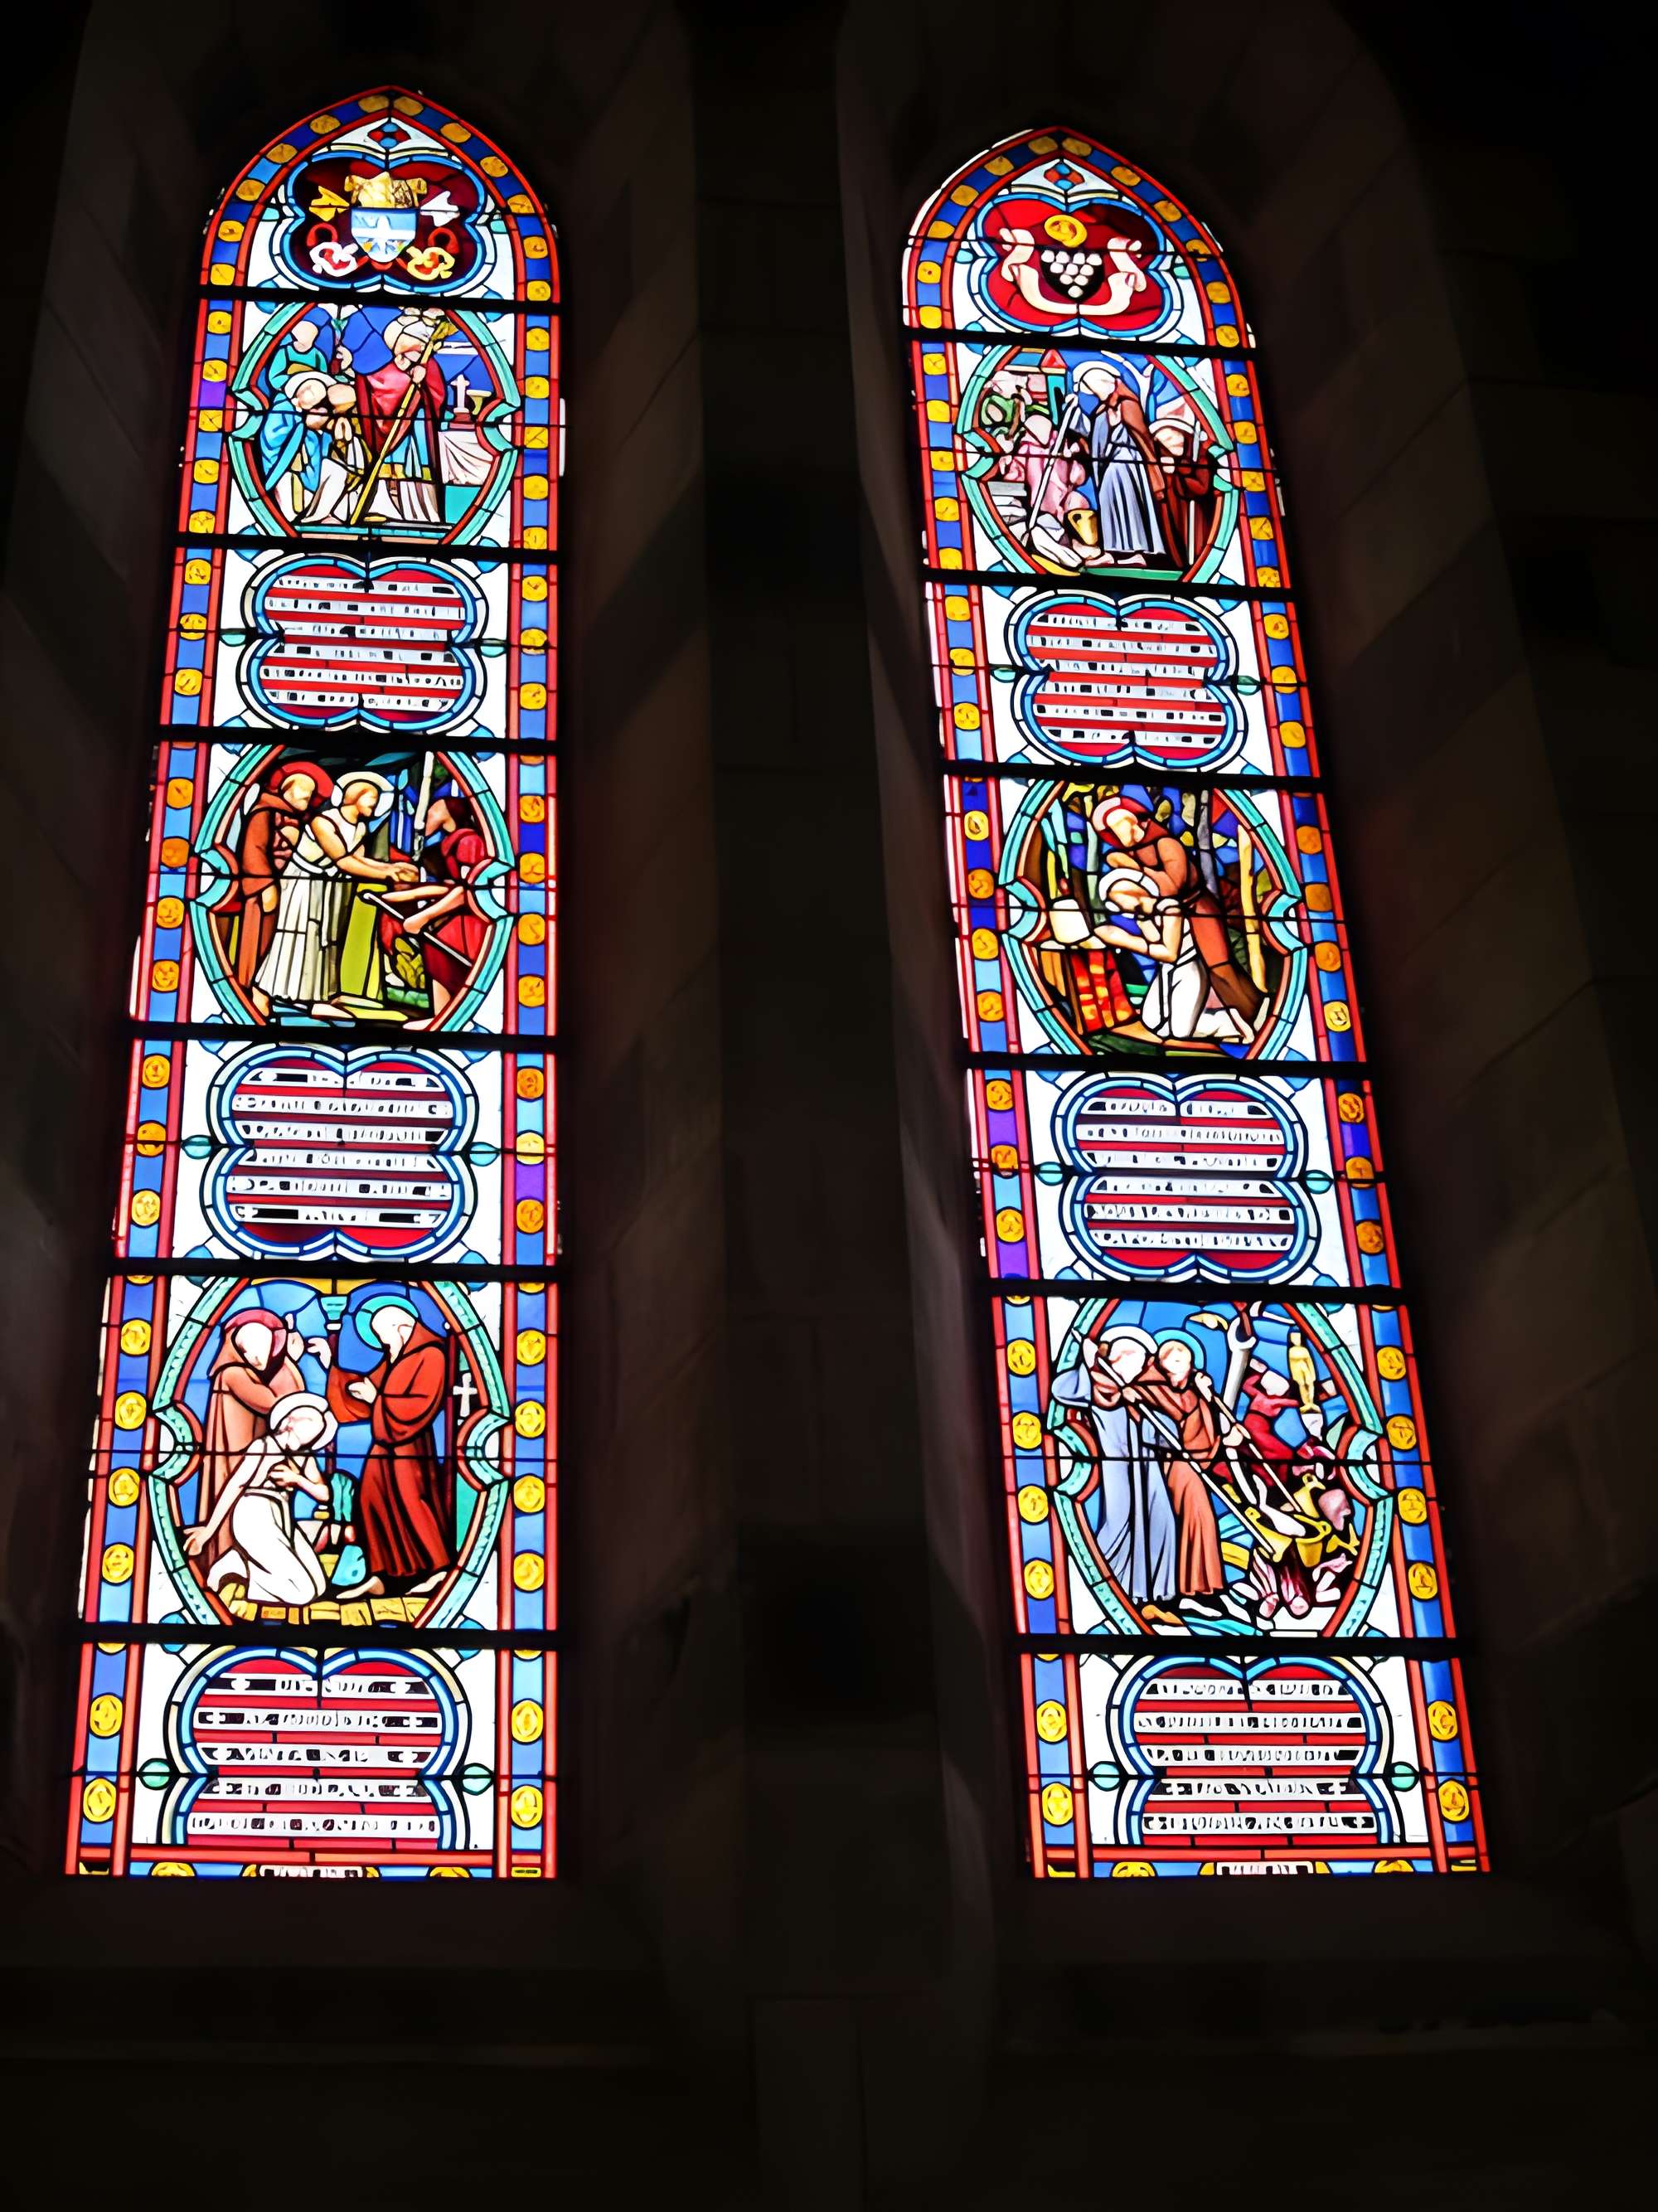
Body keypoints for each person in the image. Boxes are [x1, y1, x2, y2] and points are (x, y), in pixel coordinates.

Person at [1094, 795, 1266, 1034]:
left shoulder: (1166, 844)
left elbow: (1173, 885)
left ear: (1138, 819)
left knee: (1221, 969)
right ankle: (1238, 1019)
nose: (1123, 832)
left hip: (1199, 913)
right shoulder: (1131, 854)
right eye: (1115, 829)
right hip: (1173, 920)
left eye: (1124, 822)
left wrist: (1134, 869)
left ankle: (1257, 1015)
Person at [253, 771, 419, 1016]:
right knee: (294, 939)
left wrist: (393, 868)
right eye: (370, 797)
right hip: (303, 885)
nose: (375, 803)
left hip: (332, 890)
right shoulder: (324, 822)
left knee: (326, 944)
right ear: (354, 796)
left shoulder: (360, 827)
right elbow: (343, 860)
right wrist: (389, 874)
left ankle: (317, 998)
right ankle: (262, 992)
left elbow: (361, 861)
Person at [324, 1292, 453, 1600]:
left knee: (413, 1503)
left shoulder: (431, 1355)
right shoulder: (396, 1358)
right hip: (385, 1448)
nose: (383, 1343)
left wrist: (376, 1400)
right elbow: (364, 1390)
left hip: (410, 1448)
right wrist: (331, 1364)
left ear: (403, 1328)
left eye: (384, 1336)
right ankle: (382, 1573)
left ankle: (437, 1569)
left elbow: (420, 1405)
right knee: (371, 1499)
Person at [1050, 1327, 1180, 1625]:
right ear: (1119, 1359)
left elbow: (1166, 1434)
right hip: (1117, 1467)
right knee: (1122, 1522)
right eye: (1133, 1362)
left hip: (1148, 1471)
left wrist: (1149, 1413)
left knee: (1162, 1522)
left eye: (1141, 1364)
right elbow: (1061, 1390)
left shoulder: (1140, 1395)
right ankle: (1112, 1587)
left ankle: (1156, 1598)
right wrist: (1086, 1362)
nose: (1138, 1368)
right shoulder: (1097, 1388)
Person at [184, 1394, 334, 1608]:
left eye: (320, 1423)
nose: (319, 1425)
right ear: (289, 1420)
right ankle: (242, 1569)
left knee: (319, 1587)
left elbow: (325, 1494)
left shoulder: (304, 1457)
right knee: (303, 1593)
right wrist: (208, 1532)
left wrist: (297, 1480)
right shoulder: (263, 1447)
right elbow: (236, 1485)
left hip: (282, 1518)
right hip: (254, 1515)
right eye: (311, 1419)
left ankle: (242, 1563)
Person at [191, 1309, 308, 1575]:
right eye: (251, 1350)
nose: (259, 1357)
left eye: (266, 1348)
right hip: (238, 1462)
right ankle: (229, 1566)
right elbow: (278, 1405)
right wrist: (290, 1361)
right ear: (237, 1348)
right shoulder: (233, 1374)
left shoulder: (246, 1374)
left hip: (249, 1461)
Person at [1092, 869, 1255, 1045]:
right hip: (1165, 972)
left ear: (1132, 891)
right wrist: (1143, 924)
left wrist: (1124, 940)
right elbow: (1155, 943)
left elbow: (1170, 953)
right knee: (1152, 1023)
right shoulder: (1144, 917)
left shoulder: (1170, 908)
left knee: (1179, 1032)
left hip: (1188, 970)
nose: (1116, 906)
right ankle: (1205, 1023)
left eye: (1115, 899)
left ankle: (1229, 1021)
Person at [374, 792, 491, 1019]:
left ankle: (448, 1019)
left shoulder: (469, 842)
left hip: (469, 923)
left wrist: (424, 917)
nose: (427, 815)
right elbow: (447, 888)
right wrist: (393, 899)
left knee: (442, 953)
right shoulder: (451, 843)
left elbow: (468, 892)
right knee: (436, 955)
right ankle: (440, 1016)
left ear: (450, 813)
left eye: (433, 810)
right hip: (457, 918)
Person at [211, 764, 319, 1009]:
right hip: (262, 891)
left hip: (284, 887)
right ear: (285, 789)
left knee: (272, 944)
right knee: (257, 940)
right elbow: (254, 850)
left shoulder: (294, 818)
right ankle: (247, 990)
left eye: (310, 794)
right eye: (301, 790)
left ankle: (262, 992)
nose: (306, 797)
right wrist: (265, 886)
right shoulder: (265, 811)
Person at [1137, 1335, 1230, 1613]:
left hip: (1189, 1465)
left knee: (1201, 1519)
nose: (1183, 1366)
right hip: (1162, 1467)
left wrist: (1207, 1397)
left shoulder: (1192, 1394)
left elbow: (1205, 1435)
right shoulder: (1146, 1391)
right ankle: (1189, 1587)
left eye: (1187, 1361)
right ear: (1160, 1363)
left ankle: (1203, 1586)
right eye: (1176, 1359)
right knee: (1194, 1516)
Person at [353, 314, 448, 527]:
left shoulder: (429, 367)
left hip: (418, 428)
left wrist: (423, 384)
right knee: (388, 467)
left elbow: (437, 395)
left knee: (418, 469)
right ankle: (382, 506)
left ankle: (423, 512)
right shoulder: (392, 369)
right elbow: (377, 385)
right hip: (395, 431)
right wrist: (408, 381)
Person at [1076, 362, 1165, 564]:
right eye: (1091, 390)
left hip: (1126, 463)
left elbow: (1138, 438)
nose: (1095, 393)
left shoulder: (1126, 404)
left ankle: (1135, 552)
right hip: (1109, 463)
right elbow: (1094, 442)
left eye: (1095, 388)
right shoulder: (1102, 410)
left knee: (1127, 504)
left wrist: (1116, 428)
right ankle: (1113, 551)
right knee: (1110, 503)